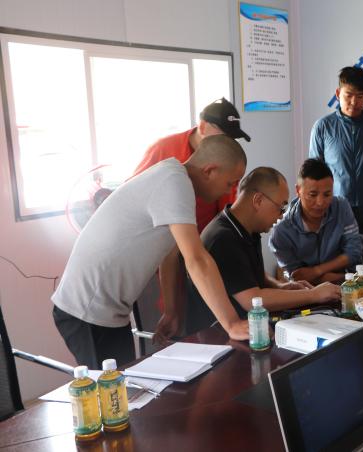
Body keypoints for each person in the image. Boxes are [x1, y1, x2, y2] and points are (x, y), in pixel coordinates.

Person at [52, 135, 249, 369]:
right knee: (112, 390)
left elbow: (170, 255)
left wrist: (172, 311)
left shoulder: (174, 180)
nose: (231, 190)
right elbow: (197, 259)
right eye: (230, 183)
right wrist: (231, 323)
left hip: (110, 311)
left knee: (127, 383)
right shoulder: (174, 182)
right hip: (87, 310)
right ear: (210, 171)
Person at [185, 167, 342, 334]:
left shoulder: (247, 228)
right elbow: (252, 300)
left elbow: (250, 275)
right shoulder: (223, 238)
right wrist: (314, 294)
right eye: (281, 208)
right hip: (214, 336)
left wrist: (282, 286)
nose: (281, 216)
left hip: (250, 325)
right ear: (258, 200)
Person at [133, 97, 251, 232]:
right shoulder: (162, 150)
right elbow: (135, 196)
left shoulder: (228, 162)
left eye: (233, 139)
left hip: (203, 236)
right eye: (223, 136)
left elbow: (227, 209)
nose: (228, 143)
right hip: (164, 235)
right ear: (202, 127)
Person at [309, 66, 363, 258]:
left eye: (360, 96)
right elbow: (314, 174)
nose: (354, 102)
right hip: (335, 215)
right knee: (340, 268)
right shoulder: (323, 127)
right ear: (338, 94)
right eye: (349, 95)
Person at [269, 158, 363, 285]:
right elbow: (298, 276)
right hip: (308, 291)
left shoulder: (341, 207)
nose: (320, 202)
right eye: (313, 195)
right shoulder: (282, 231)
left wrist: (317, 270)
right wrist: (333, 277)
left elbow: (354, 251)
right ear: (298, 191)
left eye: (327, 194)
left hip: (348, 285)